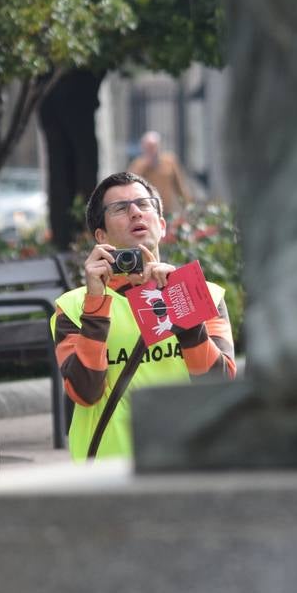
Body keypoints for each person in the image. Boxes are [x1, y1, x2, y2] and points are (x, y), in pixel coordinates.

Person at [51, 171, 236, 461]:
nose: (135, 212)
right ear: (101, 236)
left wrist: (181, 305)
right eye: (120, 208)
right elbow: (85, 392)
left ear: (161, 225)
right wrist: (96, 303)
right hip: (108, 472)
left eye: (144, 204)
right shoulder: (73, 307)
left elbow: (219, 386)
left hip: (191, 462)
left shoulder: (205, 294)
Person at [126, 130, 194, 219]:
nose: (152, 150)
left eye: (153, 146)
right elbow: (129, 184)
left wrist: (188, 205)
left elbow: (180, 187)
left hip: (167, 210)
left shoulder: (170, 161)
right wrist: (145, 166)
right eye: (148, 147)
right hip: (147, 211)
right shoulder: (139, 164)